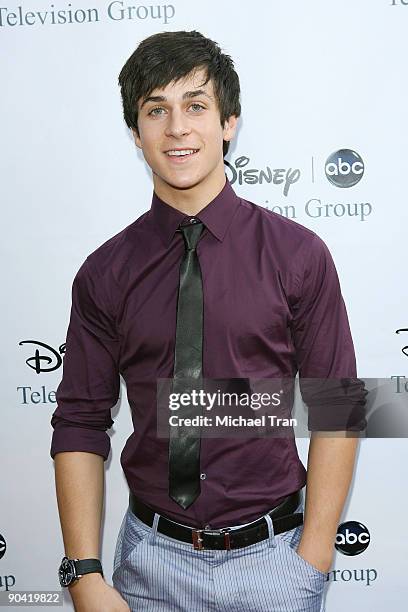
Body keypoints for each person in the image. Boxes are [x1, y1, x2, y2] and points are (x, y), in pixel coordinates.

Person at [50, 30, 366, 612]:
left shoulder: (298, 255)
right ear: (136, 130)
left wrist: (313, 559)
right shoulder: (104, 273)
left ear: (229, 123)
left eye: (196, 106)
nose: (177, 128)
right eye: (156, 110)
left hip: (277, 563)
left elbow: (338, 406)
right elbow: (79, 422)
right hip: (148, 565)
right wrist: (84, 574)